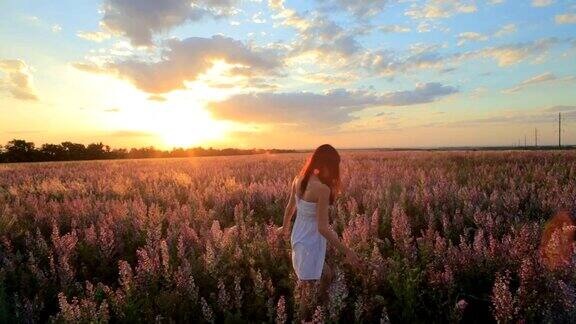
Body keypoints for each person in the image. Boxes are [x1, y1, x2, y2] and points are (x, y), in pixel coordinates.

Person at [277, 144, 362, 320]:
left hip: (299, 236)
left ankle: (320, 306)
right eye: (334, 167)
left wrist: (284, 228)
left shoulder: (298, 179)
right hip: (311, 239)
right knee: (307, 288)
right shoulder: (323, 189)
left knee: (325, 275)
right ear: (326, 165)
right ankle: (306, 317)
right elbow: (322, 227)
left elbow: (289, 208)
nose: (335, 172)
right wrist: (348, 252)